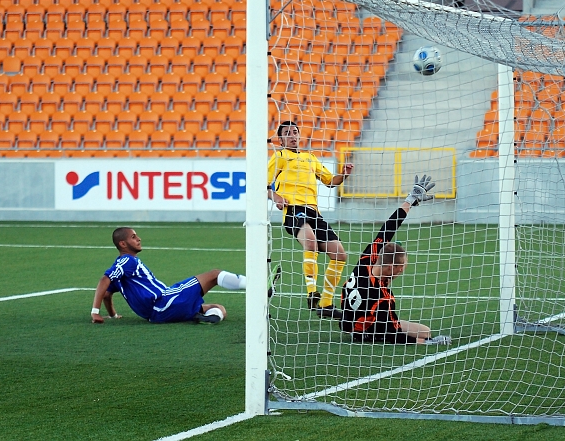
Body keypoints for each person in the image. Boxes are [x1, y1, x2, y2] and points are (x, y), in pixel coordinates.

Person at [339, 175, 452, 345]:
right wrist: (428, 342)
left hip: (348, 321)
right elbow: (393, 335)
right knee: (424, 333)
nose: (401, 272)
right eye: (401, 268)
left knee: (424, 331)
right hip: (366, 327)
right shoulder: (383, 296)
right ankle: (370, 335)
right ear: (391, 267)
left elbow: (388, 228)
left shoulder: (367, 260)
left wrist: (410, 200)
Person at [267, 121, 354, 319]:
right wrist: (277, 198)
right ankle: (311, 292)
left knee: (340, 254)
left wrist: (344, 174)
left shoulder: (310, 158)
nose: (292, 135)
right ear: (280, 139)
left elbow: (331, 181)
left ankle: (325, 304)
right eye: (287, 133)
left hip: (314, 213)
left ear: (300, 136)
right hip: (294, 210)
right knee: (311, 242)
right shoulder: (279, 156)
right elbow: (265, 185)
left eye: (295, 132)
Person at [90, 227, 247, 324]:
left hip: (157, 316)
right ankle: (256, 285)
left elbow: (107, 294)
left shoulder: (122, 274)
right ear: (123, 244)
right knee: (214, 275)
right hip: (165, 301)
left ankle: (211, 318)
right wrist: (95, 312)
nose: (139, 239)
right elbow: (104, 280)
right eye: (133, 237)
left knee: (219, 308)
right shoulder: (127, 261)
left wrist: (113, 315)